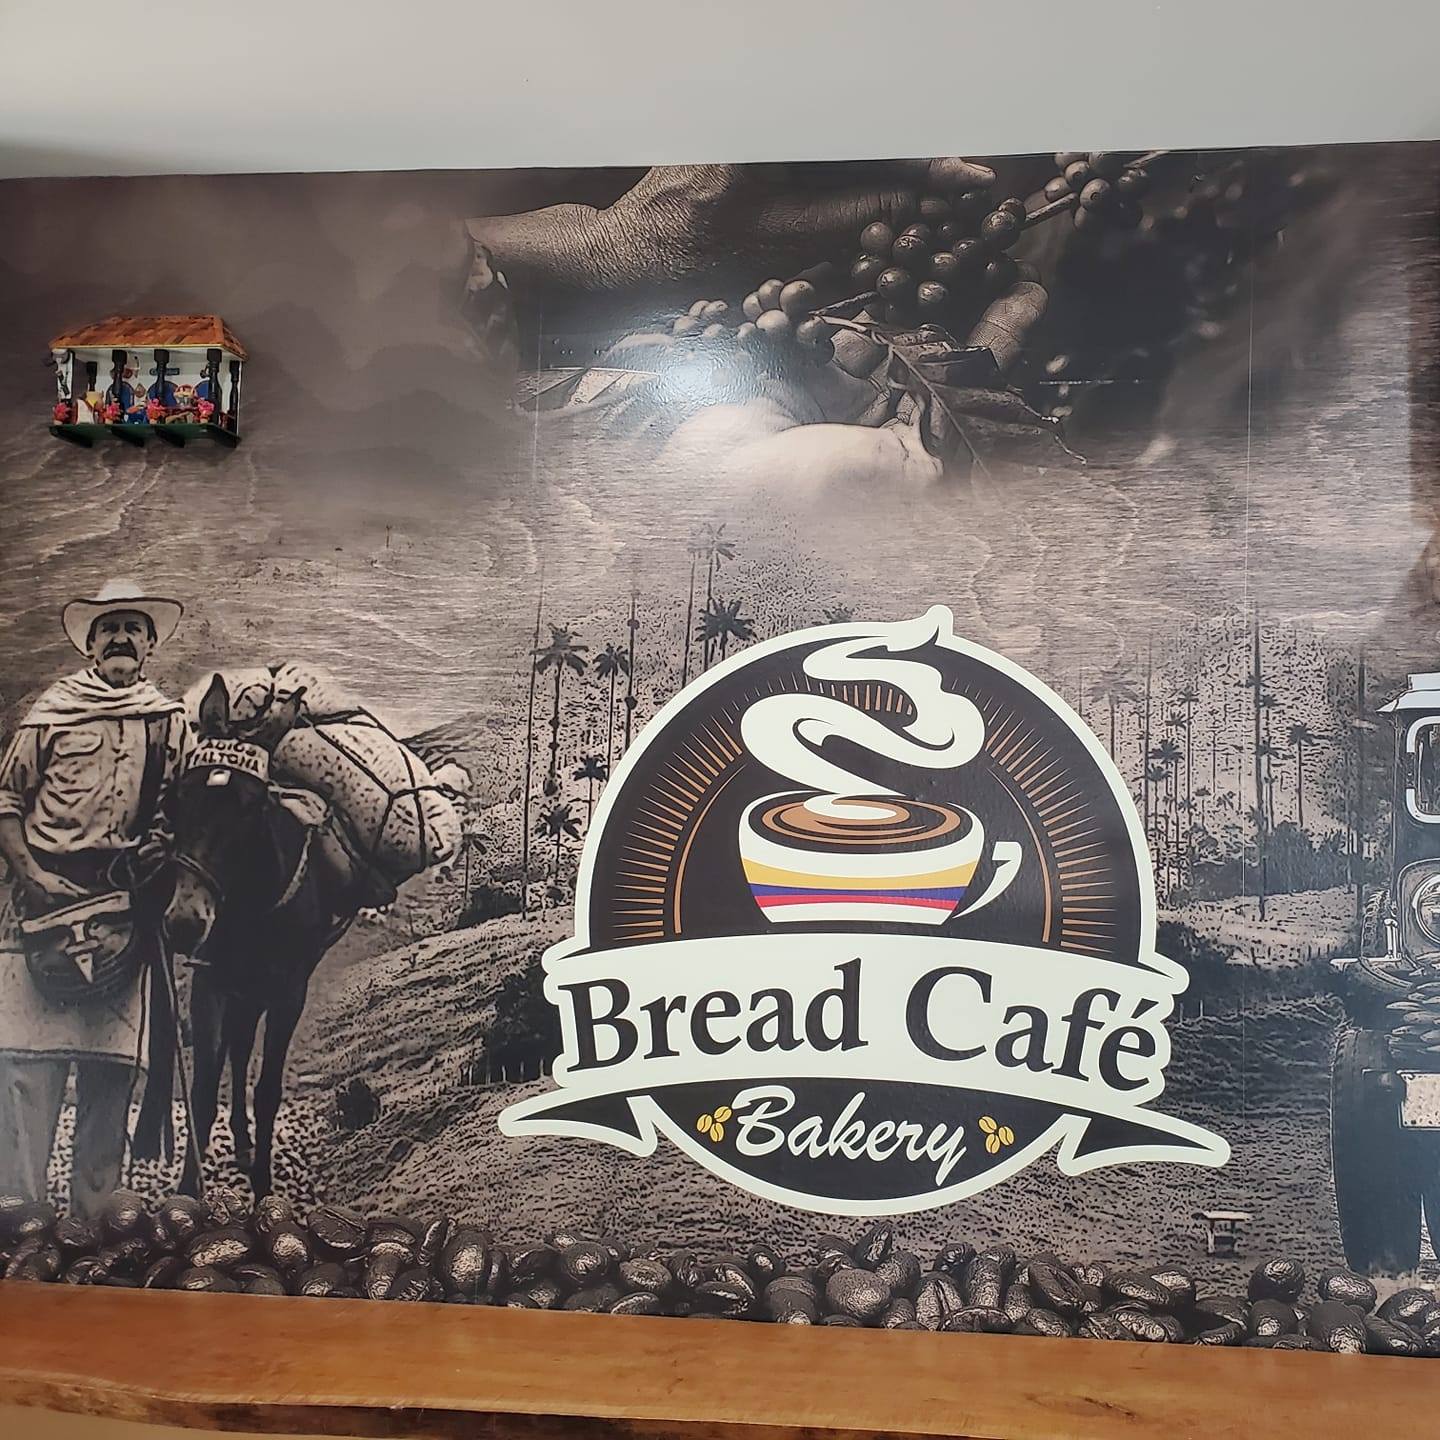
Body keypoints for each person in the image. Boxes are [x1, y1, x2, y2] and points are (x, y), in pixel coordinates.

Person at [0, 580, 190, 1213]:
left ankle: (92, 1231)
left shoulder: (168, 722)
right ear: (89, 643)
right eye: (108, 628)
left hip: (123, 912)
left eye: (134, 628)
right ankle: (21, 1228)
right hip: (41, 906)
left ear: (150, 644)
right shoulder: (50, 714)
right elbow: (6, 802)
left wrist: (164, 845)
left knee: (110, 1075)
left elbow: (186, 811)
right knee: (28, 1073)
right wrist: (32, 877)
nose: (121, 638)